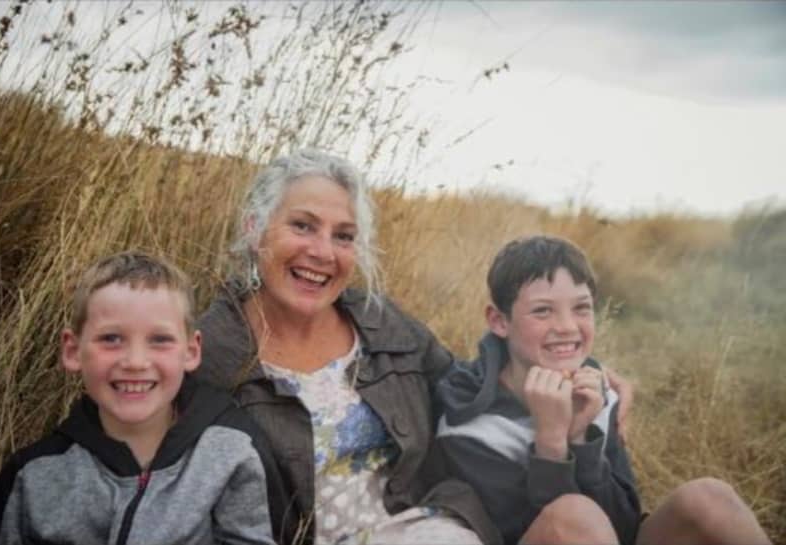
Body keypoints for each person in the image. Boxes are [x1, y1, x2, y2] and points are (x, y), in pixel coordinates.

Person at [193, 149, 634, 545]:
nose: (323, 252)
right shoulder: (211, 354)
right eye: (303, 226)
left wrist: (581, 374)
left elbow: (467, 384)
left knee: (578, 523)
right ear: (255, 228)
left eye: (343, 236)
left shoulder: (380, 324)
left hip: (433, 529)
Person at [436, 235, 772, 545]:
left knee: (711, 497)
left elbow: (623, 525)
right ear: (499, 321)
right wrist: (551, 443)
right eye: (542, 311)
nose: (567, 326)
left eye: (581, 308)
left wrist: (581, 438)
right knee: (574, 514)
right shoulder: (471, 426)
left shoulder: (597, 394)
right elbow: (526, 533)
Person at [0, 251, 282, 545]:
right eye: (111, 339)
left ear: (191, 351)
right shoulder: (33, 475)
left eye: (160, 340)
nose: (136, 362)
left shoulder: (232, 454)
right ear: (73, 351)